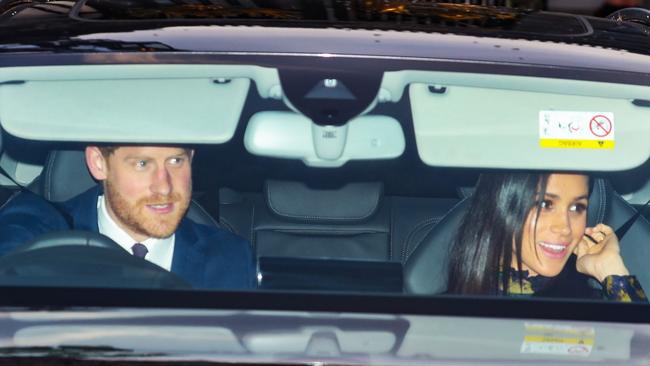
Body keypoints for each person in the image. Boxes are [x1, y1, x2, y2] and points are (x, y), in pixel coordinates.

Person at [0, 145, 255, 289]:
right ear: (99, 163)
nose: (164, 187)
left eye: (176, 161)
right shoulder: (41, 232)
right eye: (142, 164)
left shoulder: (231, 258)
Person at [447, 172, 646, 302]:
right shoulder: (441, 317)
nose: (565, 227)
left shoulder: (591, 304)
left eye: (577, 207)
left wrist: (611, 270)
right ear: (500, 207)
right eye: (545, 205)